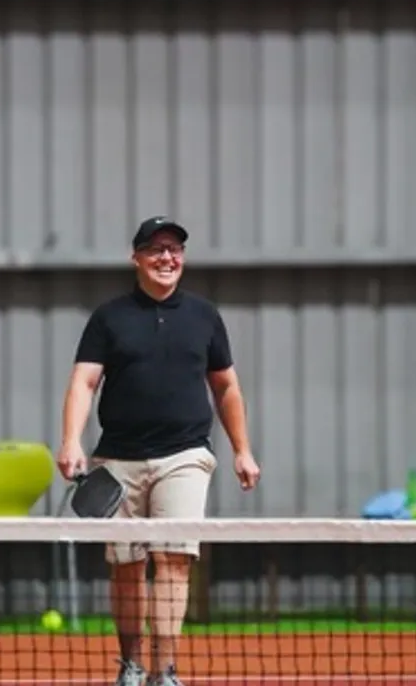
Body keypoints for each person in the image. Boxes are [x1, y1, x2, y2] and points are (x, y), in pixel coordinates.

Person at [57, 216, 260, 686]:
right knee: (126, 566)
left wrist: (243, 450)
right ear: (137, 258)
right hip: (117, 461)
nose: (167, 257)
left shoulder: (205, 317)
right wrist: (70, 440)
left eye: (174, 249)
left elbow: (226, 387)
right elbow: (84, 382)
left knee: (173, 559)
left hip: (185, 456)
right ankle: (131, 667)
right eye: (156, 249)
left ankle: (164, 671)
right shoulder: (109, 318)